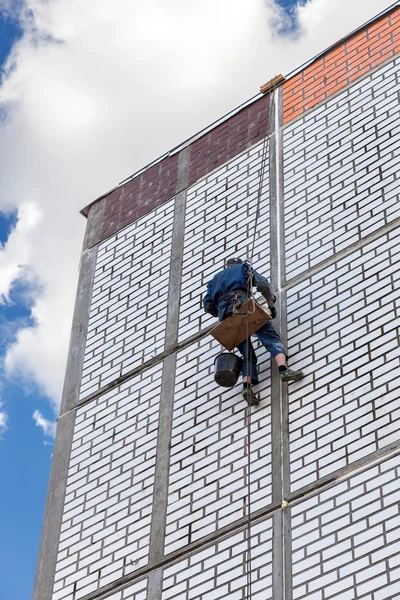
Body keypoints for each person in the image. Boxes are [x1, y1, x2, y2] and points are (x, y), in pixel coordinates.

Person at [203, 257, 304, 406]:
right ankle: (284, 370)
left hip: (225, 316)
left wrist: (223, 311)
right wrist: (271, 304)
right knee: (271, 338)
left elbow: (207, 306)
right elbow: (262, 284)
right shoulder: (243, 268)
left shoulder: (214, 281)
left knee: (247, 354)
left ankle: (246, 387)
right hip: (243, 305)